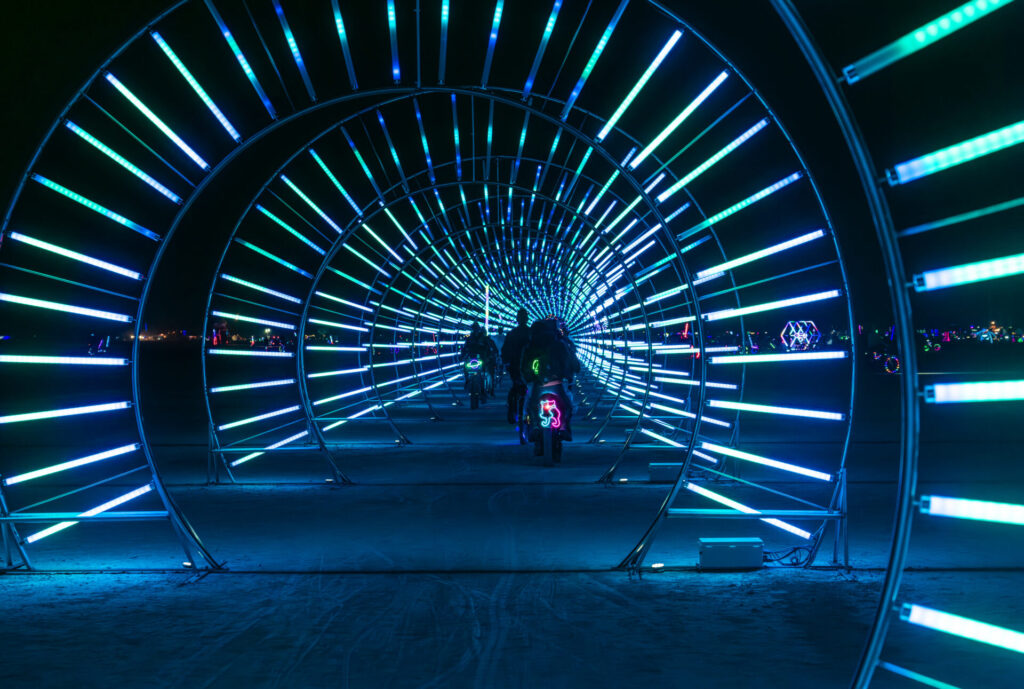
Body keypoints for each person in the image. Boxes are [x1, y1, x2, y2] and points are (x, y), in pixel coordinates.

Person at [521, 317, 580, 453]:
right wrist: (570, 374)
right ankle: (564, 428)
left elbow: (524, 365)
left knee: (531, 405)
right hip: (557, 382)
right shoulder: (560, 344)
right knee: (567, 406)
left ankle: (535, 427)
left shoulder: (531, 345)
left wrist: (526, 378)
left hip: (538, 384)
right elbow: (571, 361)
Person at [501, 308, 531, 426]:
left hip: (516, 366)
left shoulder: (512, 334)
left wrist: (506, 362)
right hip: (528, 366)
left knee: (515, 388)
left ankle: (512, 411)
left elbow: (505, 350)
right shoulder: (531, 333)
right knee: (530, 388)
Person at [461, 321, 498, 395]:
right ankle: (467, 381)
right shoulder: (470, 339)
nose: (475, 330)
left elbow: (489, 348)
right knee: (466, 368)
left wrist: (490, 356)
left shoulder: (484, 339)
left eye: (476, 328)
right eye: (474, 328)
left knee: (485, 372)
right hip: (472, 358)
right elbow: (465, 348)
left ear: (478, 329)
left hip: (482, 358)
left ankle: (487, 388)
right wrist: (462, 355)